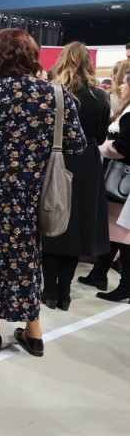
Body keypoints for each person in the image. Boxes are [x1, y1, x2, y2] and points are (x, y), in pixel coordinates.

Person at [0, 29, 85, 358]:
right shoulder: (56, 95)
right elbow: (77, 144)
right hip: (33, 197)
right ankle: (34, 334)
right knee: (26, 260)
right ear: (31, 55)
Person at [41, 43, 110, 311]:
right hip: (87, 164)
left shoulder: (52, 93)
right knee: (77, 228)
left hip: (56, 161)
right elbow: (101, 137)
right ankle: (65, 293)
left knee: (51, 222)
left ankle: (49, 289)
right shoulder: (100, 97)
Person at [91, 66, 130, 303]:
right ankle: (99, 273)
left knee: (124, 235)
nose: (121, 86)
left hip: (122, 179)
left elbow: (124, 146)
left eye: (125, 82)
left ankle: (125, 285)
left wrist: (102, 148)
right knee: (115, 231)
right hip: (121, 180)